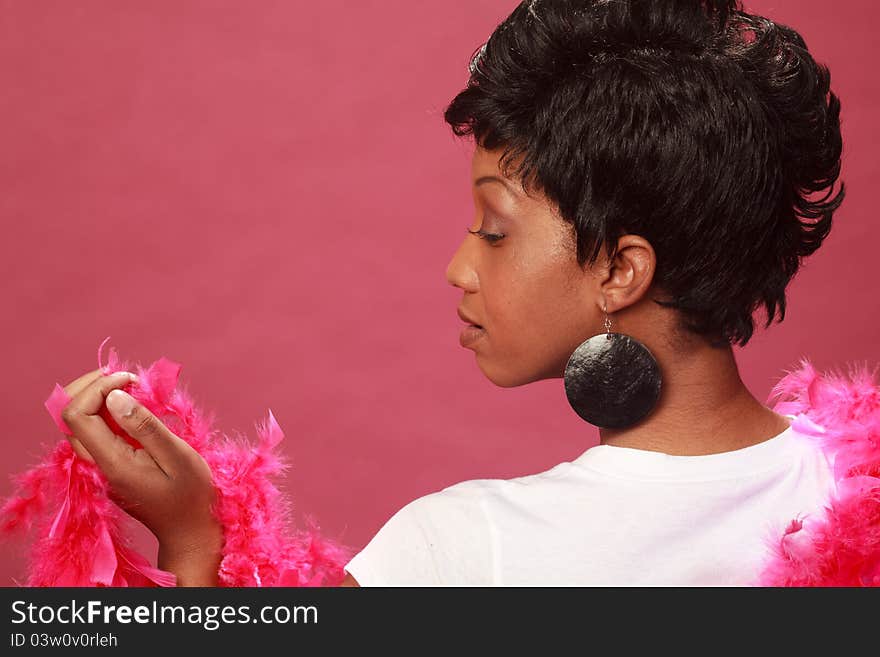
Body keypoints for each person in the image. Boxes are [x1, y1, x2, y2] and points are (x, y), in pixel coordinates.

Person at [58, 0, 846, 586]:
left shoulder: (463, 553)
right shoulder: (855, 492)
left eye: (494, 229)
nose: (460, 268)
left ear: (620, 271)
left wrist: (195, 542)